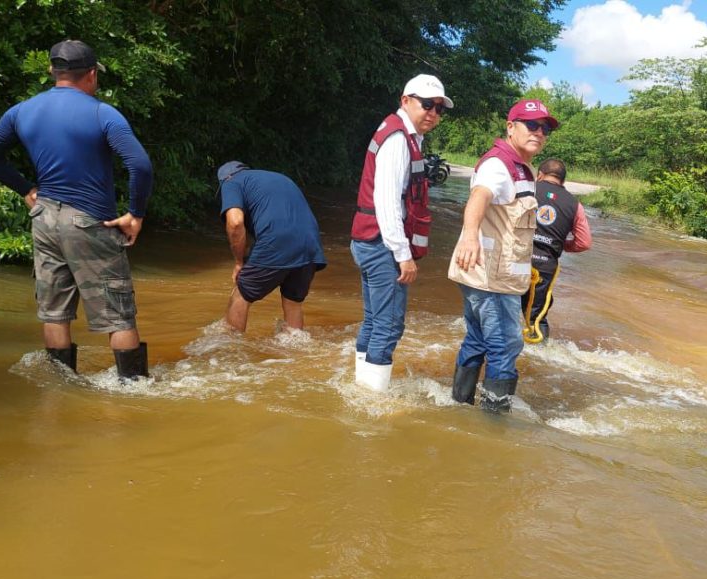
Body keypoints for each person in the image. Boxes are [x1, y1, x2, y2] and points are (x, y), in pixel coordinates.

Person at [0, 40, 152, 379]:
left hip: (44, 218)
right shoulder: (102, 113)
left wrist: (26, 188)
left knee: (54, 312)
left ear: (52, 72)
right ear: (92, 74)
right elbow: (139, 165)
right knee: (118, 314)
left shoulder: (22, 111)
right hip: (88, 220)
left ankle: (60, 389)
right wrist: (135, 213)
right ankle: (135, 391)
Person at [448, 99, 559, 411]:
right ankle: (493, 422)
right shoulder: (499, 165)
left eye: (545, 128)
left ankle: (459, 405)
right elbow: (479, 195)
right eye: (532, 125)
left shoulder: (521, 168)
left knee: (478, 340)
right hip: (489, 277)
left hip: (490, 275)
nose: (539, 132)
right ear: (511, 127)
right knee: (506, 344)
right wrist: (470, 234)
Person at [350, 74, 451, 392]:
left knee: (373, 320)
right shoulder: (397, 139)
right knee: (389, 325)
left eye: (439, 108)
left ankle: (360, 387)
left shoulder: (405, 135)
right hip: (381, 243)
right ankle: (372, 402)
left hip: (368, 240)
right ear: (405, 101)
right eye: (427, 105)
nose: (433, 113)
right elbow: (387, 202)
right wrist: (403, 255)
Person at [218, 162, 327, 332]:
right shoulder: (278, 178)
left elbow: (235, 222)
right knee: (293, 302)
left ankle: (230, 351)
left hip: (278, 240)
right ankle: (295, 354)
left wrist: (239, 262)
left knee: (241, 294)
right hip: (311, 243)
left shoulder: (231, 182)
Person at [521, 158, 593, 342]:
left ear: (540, 175)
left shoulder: (527, 189)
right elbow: (584, 242)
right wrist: (559, 244)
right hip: (545, 265)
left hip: (517, 257)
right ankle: (539, 359)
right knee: (536, 318)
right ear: (563, 181)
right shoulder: (575, 204)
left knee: (502, 308)